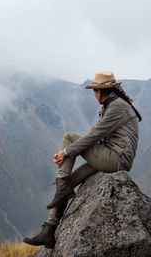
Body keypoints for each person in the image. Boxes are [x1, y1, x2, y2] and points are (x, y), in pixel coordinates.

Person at [23, 71, 141, 248]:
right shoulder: (113, 105)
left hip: (116, 159)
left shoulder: (117, 107)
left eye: (95, 91)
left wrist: (66, 152)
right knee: (70, 182)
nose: (94, 95)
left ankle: (62, 184)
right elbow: (97, 135)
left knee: (70, 137)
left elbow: (94, 136)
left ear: (102, 91)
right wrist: (67, 153)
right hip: (111, 157)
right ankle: (49, 230)